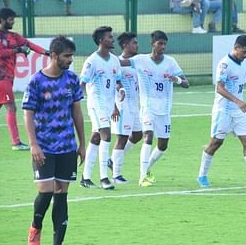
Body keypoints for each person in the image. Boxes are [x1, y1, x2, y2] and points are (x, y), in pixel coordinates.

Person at [23, 36, 86, 245]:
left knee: (62, 192)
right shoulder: (36, 81)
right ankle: (36, 227)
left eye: (72, 56)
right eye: (67, 56)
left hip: (67, 146)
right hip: (44, 147)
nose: (70, 60)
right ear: (54, 55)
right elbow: (28, 114)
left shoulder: (72, 79)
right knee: (46, 190)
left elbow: (77, 112)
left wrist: (82, 144)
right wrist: (33, 144)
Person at [196, 34, 246, 189]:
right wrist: (238, 101)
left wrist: (239, 103)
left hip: (238, 112)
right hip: (223, 111)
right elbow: (219, 88)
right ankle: (202, 175)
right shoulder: (224, 64)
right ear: (236, 47)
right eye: (244, 52)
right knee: (215, 143)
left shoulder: (240, 63)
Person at [0, 8, 49, 151]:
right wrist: (18, 50)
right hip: (0, 77)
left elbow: (29, 44)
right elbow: (0, 52)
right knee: (11, 107)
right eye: (11, 19)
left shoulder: (13, 36)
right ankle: (16, 143)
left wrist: (46, 52)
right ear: (3, 20)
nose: (13, 22)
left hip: (7, 78)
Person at [120, 30, 189, 187]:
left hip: (164, 110)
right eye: (160, 43)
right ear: (152, 44)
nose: (162, 46)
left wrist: (177, 79)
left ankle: (147, 168)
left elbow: (186, 83)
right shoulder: (140, 60)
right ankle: (142, 176)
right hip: (148, 107)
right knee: (148, 136)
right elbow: (119, 63)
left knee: (163, 145)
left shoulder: (171, 63)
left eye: (164, 44)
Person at [80, 26, 124, 190]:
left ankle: (85, 177)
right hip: (95, 103)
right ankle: (104, 177)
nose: (112, 39)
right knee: (106, 134)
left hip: (108, 104)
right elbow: (82, 83)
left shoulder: (114, 60)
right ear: (101, 40)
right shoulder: (92, 61)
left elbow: (116, 82)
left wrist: (117, 99)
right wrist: (82, 101)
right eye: (109, 37)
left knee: (96, 138)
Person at [109, 32, 144, 184]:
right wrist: (114, 106)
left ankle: (112, 160)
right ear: (125, 45)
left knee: (137, 135)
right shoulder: (117, 63)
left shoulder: (137, 62)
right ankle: (116, 175)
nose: (137, 45)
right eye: (134, 43)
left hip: (134, 106)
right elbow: (111, 85)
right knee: (122, 138)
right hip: (122, 106)